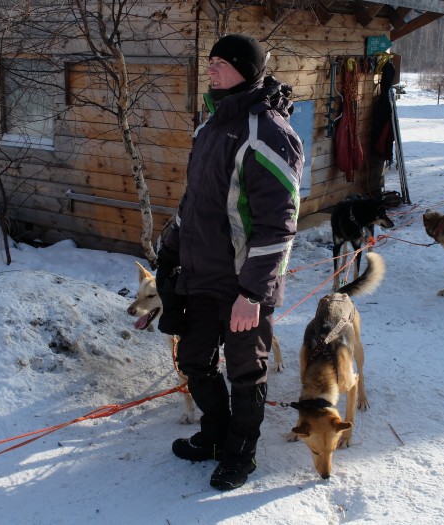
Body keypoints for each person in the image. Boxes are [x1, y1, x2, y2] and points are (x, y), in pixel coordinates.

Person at [155, 33, 304, 491]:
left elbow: (278, 226)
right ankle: (215, 435)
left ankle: (242, 451)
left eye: (222, 62)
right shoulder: (210, 126)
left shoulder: (269, 133)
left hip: (243, 286)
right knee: (196, 360)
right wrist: (170, 252)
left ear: (248, 70)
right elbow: (193, 202)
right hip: (201, 276)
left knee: (245, 370)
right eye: (211, 59)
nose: (212, 68)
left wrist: (252, 294)